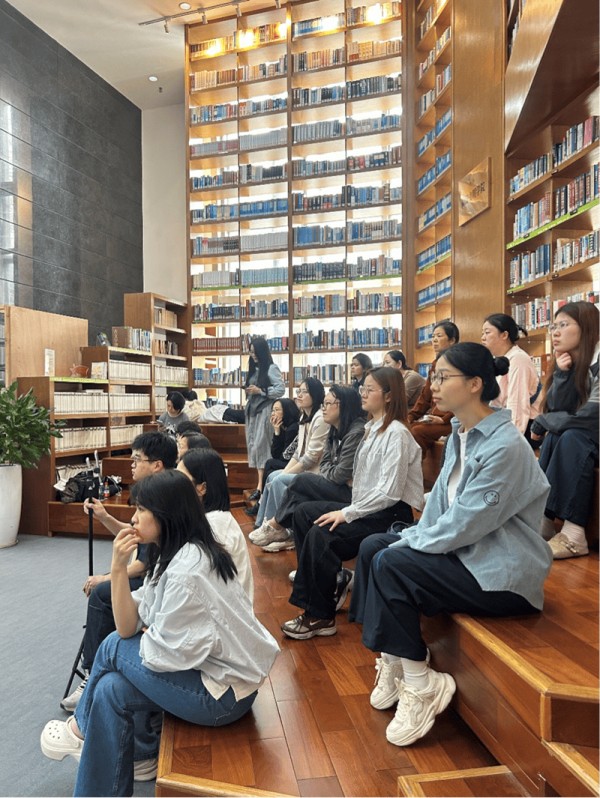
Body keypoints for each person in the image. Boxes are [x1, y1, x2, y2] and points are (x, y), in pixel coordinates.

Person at [349, 342, 552, 747]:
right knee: (374, 547)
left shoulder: (505, 446)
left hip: (502, 574)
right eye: (434, 376)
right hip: (468, 555)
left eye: (443, 377)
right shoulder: (462, 435)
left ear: (475, 384)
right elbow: (440, 508)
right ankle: (393, 658)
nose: (434, 386)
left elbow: (466, 524)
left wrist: (408, 543)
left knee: (391, 561)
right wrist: (408, 537)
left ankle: (422, 683)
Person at [41, 470, 279, 797]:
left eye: (142, 510)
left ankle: (80, 728)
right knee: (109, 689)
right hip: (211, 678)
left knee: (112, 646)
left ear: (167, 515)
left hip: (223, 696)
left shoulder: (187, 570)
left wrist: (135, 635)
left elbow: (160, 656)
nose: (133, 518)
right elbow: (129, 624)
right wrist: (118, 568)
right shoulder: (177, 552)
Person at [281, 366, 424, 640]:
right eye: (363, 389)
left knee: (322, 533)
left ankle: (319, 615)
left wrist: (347, 512)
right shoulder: (372, 428)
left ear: (389, 396)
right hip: (368, 506)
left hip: (389, 514)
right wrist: (349, 509)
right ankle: (325, 581)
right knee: (303, 513)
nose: (363, 394)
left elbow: (389, 493)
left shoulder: (396, 433)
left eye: (370, 389)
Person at [60, 432, 177, 713]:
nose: (131, 465)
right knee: (104, 588)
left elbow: (144, 564)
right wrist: (104, 516)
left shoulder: (165, 497)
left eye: (137, 460)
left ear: (157, 465)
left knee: (101, 593)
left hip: (158, 578)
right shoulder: (158, 490)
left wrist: (107, 577)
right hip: (155, 574)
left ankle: (92, 673)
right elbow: (135, 535)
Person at [253, 385, 366, 552]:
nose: (324, 408)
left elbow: (337, 472)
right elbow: (321, 460)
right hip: (331, 480)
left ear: (343, 405)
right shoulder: (332, 427)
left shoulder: (355, 431)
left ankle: (277, 526)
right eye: (323, 404)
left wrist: (330, 471)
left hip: (349, 491)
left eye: (328, 404)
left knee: (300, 481)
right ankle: (269, 526)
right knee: (280, 478)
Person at [531, 301, 599, 559]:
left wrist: (544, 421)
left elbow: (593, 416)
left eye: (563, 325)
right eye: (553, 326)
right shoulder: (575, 362)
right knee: (555, 437)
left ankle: (574, 535)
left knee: (572, 437)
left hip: (590, 433)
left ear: (587, 327)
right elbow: (557, 408)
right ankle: (543, 521)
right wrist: (562, 374)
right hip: (589, 435)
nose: (555, 332)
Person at [250, 377, 328, 550]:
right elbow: (297, 453)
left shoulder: (320, 418)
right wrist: (285, 471)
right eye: (299, 391)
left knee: (278, 480)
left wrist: (285, 474)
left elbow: (311, 457)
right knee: (273, 475)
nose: (299, 395)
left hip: (315, 473)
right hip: (305, 469)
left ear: (315, 395)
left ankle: (288, 532)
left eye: (304, 392)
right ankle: (264, 525)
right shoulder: (304, 417)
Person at [178, 448, 254, 601]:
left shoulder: (215, 527)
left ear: (202, 488)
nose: (175, 484)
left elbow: (195, 588)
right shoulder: (207, 518)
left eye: (181, 480)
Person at [481, 313, 541, 436]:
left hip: (524, 427)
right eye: (482, 333)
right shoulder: (498, 360)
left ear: (504, 335)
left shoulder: (518, 359)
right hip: (502, 423)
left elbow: (517, 403)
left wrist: (512, 438)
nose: (483, 338)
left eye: (487, 333)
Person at [408, 321, 460, 454]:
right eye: (433, 336)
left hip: (453, 420)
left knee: (416, 431)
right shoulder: (435, 364)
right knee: (407, 427)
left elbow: (462, 398)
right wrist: (411, 416)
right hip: (435, 418)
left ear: (452, 340)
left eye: (439, 336)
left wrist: (444, 419)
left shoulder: (459, 365)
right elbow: (425, 396)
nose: (434, 340)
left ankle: (415, 466)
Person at [244, 337, 285, 499]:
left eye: (255, 352)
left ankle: (261, 486)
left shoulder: (271, 368)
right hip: (252, 412)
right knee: (254, 446)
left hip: (264, 410)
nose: (253, 355)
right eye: (250, 352)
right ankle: (260, 485)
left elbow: (280, 389)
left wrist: (260, 391)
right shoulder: (254, 369)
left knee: (262, 446)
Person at [245, 398, 300, 517]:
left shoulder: (293, 428)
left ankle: (261, 502)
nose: (273, 413)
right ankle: (262, 503)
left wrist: (278, 433)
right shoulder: (285, 427)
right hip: (288, 461)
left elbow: (284, 457)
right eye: (272, 410)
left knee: (270, 463)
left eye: (277, 410)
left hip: (296, 465)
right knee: (270, 464)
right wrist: (276, 431)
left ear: (287, 411)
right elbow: (276, 454)